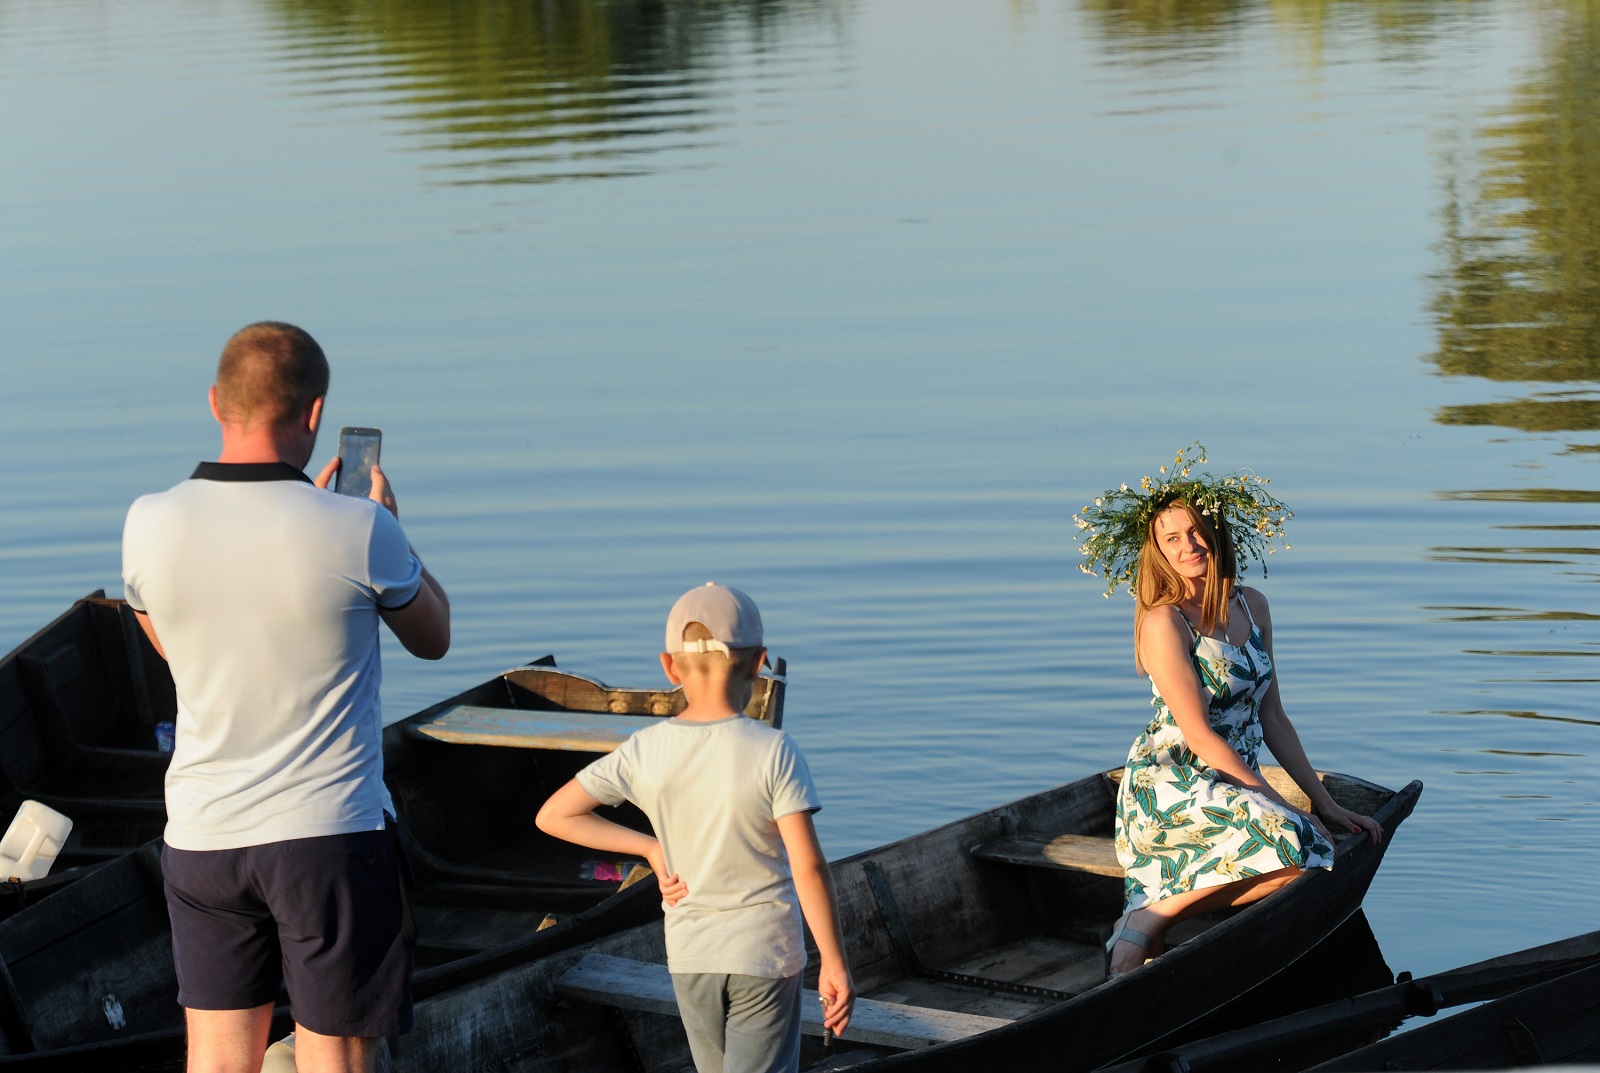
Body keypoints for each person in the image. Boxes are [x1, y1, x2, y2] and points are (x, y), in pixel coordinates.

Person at [121, 322, 450, 1073]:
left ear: (215, 402)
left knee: (215, 1053)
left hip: (203, 835)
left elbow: (171, 644)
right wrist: (397, 534)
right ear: (314, 413)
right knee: (334, 1047)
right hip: (327, 833)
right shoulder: (360, 527)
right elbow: (434, 637)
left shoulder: (148, 522)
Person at [1074, 446, 1382, 979]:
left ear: (1216, 533)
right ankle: (1148, 918)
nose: (1189, 545)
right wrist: (1272, 801)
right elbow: (1196, 734)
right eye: (1172, 538)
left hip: (1236, 777)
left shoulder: (1251, 604)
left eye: (1196, 531)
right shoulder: (1164, 622)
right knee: (1300, 843)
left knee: (1315, 841)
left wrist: (1323, 802)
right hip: (1175, 780)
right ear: (1158, 552)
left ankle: (1152, 913)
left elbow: (1275, 718)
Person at [536, 583, 853, 1073]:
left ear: (669, 667)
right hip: (763, 953)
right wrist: (834, 962)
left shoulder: (644, 749)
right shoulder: (774, 750)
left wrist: (650, 848)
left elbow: (554, 815)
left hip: (690, 957)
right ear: (758, 662)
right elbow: (807, 866)